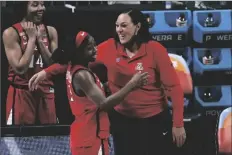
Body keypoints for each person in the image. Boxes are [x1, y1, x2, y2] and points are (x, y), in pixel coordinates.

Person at [28, 9, 186, 155]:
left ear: (137, 27)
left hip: (154, 122)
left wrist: (178, 124)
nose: (119, 30)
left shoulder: (155, 50)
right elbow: (74, 59)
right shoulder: (109, 47)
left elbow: (174, 88)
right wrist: (46, 72)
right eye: (117, 26)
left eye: (124, 26)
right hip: (124, 123)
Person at [29, 31, 149, 155]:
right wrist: (131, 85)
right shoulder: (82, 75)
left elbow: (63, 67)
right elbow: (104, 104)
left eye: (95, 45)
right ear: (78, 53)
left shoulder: (76, 67)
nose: (95, 49)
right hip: (92, 137)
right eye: (89, 48)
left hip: (86, 135)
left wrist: (45, 72)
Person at [2, 1, 58, 125]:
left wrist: (39, 40)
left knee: (51, 141)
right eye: (35, 5)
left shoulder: (51, 31)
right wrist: (31, 38)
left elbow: (54, 65)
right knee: (20, 141)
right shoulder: (11, 33)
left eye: (42, 4)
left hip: (46, 92)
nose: (41, 8)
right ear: (24, 7)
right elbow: (20, 68)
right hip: (22, 93)